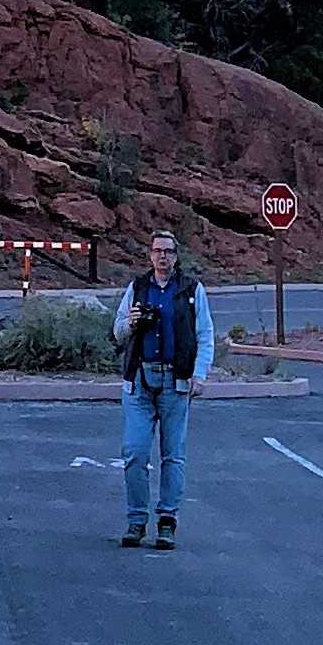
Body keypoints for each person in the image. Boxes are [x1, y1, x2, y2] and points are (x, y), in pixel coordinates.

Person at [115, 231, 212, 550]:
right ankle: (136, 520)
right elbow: (117, 333)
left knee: (173, 456)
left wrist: (199, 375)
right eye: (157, 251)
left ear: (176, 256)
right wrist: (131, 322)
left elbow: (205, 334)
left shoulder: (191, 290)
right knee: (134, 451)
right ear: (150, 255)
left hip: (175, 381)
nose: (162, 257)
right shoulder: (137, 288)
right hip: (140, 380)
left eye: (168, 252)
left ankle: (167, 521)